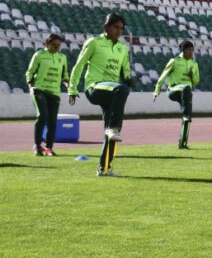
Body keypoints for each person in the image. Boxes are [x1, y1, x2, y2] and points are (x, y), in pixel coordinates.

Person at [68, 13, 132, 177]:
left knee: (113, 134)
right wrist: (72, 89)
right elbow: (79, 65)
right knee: (121, 92)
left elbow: (125, 71)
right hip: (95, 88)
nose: (119, 31)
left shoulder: (122, 48)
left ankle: (104, 168)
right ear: (106, 27)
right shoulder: (94, 43)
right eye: (116, 27)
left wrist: (130, 79)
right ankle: (113, 127)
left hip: (111, 92)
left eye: (121, 28)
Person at [24, 33, 68, 156]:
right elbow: (30, 72)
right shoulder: (39, 55)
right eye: (54, 45)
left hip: (54, 92)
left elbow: (65, 75)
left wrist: (68, 85)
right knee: (42, 116)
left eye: (58, 46)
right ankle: (37, 146)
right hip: (40, 90)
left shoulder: (62, 57)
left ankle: (49, 148)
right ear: (47, 44)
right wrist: (31, 86)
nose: (56, 48)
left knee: (52, 121)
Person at [154, 40, 200, 149]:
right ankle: (186, 115)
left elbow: (196, 81)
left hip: (186, 93)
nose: (191, 52)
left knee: (187, 117)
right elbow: (163, 75)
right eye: (189, 50)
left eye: (192, 50)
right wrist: (157, 90)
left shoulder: (194, 64)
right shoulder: (174, 61)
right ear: (183, 50)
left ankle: (182, 143)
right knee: (186, 89)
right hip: (173, 90)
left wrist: (192, 75)